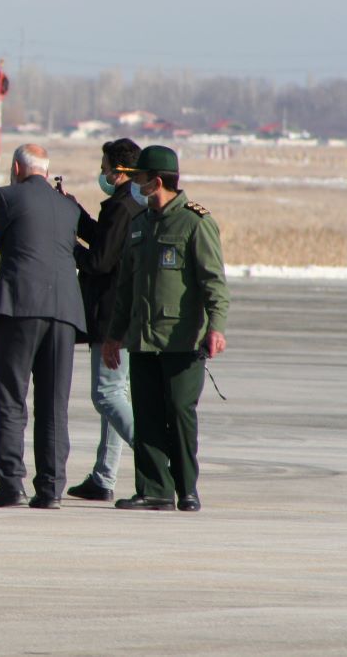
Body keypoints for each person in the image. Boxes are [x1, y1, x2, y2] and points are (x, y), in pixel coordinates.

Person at [104, 145, 229, 512]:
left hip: (182, 340)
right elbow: (126, 287)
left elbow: (214, 283)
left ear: (156, 181)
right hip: (143, 339)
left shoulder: (195, 222)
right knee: (147, 415)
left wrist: (216, 327)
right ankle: (154, 489)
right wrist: (114, 335)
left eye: (140, 177)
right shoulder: (140, 224)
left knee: (179, 411)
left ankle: (187, 488)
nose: (135, 183)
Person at [0, 144, 86, 510]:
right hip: (64, 311)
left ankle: (11, 482)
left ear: (16, 167)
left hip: (20, 306)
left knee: (11, 397)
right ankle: (52, 487)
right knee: (54, 403)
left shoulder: (5, 197)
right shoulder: (68, 205)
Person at [66, 138, 144, 502]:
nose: (102, 174)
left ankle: (156, 458)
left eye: (104, 168)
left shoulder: (121, 206)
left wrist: (68, 247)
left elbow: (99, 260)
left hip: (112, 314)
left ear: (119, 171)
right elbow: (104, 240)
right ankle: (104, 475)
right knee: (116, 392)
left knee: (107, 395)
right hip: (123, 313)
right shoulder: (131, 203)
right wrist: (76, 214)